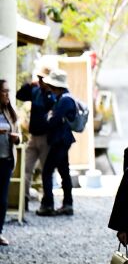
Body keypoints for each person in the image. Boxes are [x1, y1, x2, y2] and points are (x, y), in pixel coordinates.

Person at [37, 70, 77, 217]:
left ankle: (48, 204)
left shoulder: (64, 100)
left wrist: (49, 118)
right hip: (62, 139)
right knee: (64, 171)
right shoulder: (63, 98)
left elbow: (53, 120)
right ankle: (68, 204)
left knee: (47, 171)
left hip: (60, 140)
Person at [17, 63, 55, 209]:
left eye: (42, 79)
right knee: (26, 169)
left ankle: (47, 202)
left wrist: (47, 90)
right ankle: (23, 200)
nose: (40, 81)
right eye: (39, 78)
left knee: (46, 171)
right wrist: (29, 85)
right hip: (33, 136)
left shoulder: (52, 95)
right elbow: (19, 95)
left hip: (46, 138)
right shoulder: (35, 91)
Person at [0, 80, 21, 246]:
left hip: (6, 160)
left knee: (2, 200)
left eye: (8, 91)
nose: (7, 94)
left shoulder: (10, 113)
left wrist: (16, 138)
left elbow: (19, 136)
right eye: (4, 91)